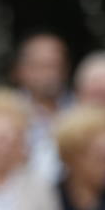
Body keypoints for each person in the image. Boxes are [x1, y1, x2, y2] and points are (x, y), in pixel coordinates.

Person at [11, 33, 71, 183]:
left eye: (55, 66)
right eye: (41, 66)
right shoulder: (8, 111)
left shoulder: (78, 111)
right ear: (22, 71)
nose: (49, 74)